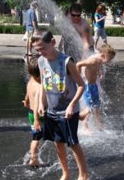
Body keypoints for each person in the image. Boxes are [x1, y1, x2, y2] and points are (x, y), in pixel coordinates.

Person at [34, 30, 89, 180]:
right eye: (37, 50)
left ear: (52, 43)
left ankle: (83, 175)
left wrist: (72, 105)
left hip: (68, 111)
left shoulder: (66, 61)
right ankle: (66, 173)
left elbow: (81, 85)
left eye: (42, 48)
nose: (40, 52)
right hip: (52, 110)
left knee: (72, 143)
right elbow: (43, 85)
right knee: (58, 143)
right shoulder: (41, 61)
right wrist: (40, 103)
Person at [76, 44, 116, 133]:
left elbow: (99, 65)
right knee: (90, 105)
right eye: (109, 59)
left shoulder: (99, 59)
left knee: (96, 104)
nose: (109, 62)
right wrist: (79, 77)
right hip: (87, 85)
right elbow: (79, 64)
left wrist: (100, 72)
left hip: (93, 85)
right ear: (102, 55)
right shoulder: (93, 60)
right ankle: (85, 125)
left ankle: (99, 125)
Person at [22, 56, 44, 167]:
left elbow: (27, 95)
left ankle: (34, 157)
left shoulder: (30, 81)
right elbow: (36, 104)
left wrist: (26, 101)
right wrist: (36, 119)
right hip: (37, 115)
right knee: (36, 138)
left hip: (31, 112)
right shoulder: (39, 86)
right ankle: (33, 159)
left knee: (36, 137)